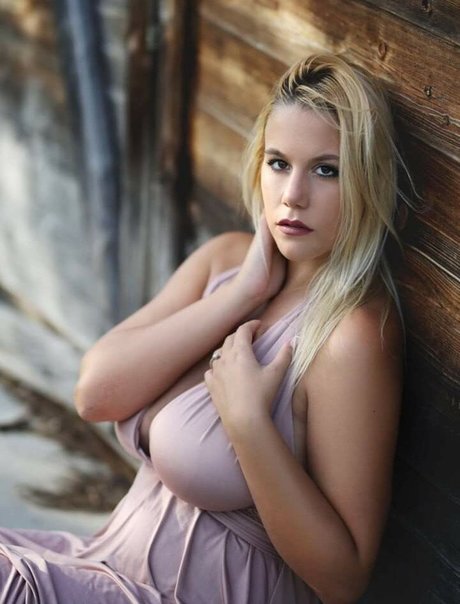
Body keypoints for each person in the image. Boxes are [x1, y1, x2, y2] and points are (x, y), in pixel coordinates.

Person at [0, 53, 404, 604]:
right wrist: (243, 294)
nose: (292, 195)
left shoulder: (349, 333)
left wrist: (248, 423)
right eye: (279, 163)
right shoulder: (226, 262)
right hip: (104, 566)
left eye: (326, 170)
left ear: (367, 181)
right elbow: (95, 394)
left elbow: (343, 579)